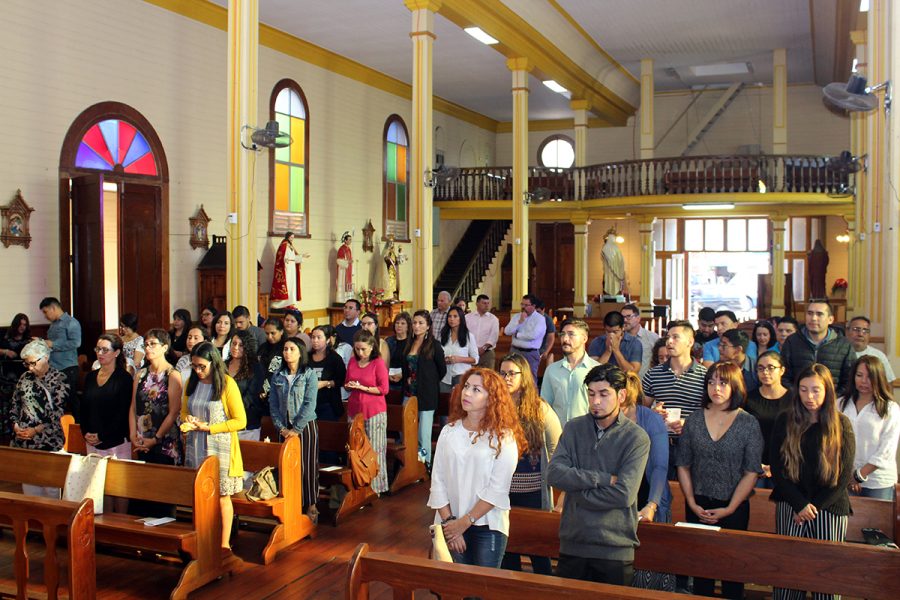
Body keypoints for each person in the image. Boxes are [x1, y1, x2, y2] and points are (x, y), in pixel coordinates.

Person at [548, 364, 650, 586]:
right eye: (591, 394)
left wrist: (576, 492)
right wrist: (602, 479)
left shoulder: (636, 438)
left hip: (614, 548)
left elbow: (623, 495)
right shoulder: (574, 428)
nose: (595, 401)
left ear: (621, 395)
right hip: (573, 542)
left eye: (604, 394)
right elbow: (554, 474)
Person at [676, 362, 763, 599]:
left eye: (723, 382)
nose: (716, 388)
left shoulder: (748, 423)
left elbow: (751, 471)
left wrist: (730, 508)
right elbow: (683, 464)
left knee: (731, 572)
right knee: (701, 570)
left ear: (735, 385)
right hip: (698, 503)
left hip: (733, 505)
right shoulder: (694, 419)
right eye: (711, 382)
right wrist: (692, 501)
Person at [770, 364, 855, 600]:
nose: (809, 396)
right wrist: (799, 505)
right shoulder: (786, 420)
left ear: (827, 390)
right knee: (789, 575)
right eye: (804, 390)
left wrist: (812, 508)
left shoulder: (841, 424)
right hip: (791, 504)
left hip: (828, 506)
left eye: (816, 390)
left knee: (825, 577)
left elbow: (843, 475)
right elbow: (777, 468)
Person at [428, 368, 524, 569]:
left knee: (482, 591)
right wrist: (450, 524)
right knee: (455, 590)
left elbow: (496, 490)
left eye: (476, 390)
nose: (467, 393)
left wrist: (463, 524)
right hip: (449, 522)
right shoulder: (449, 431)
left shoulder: (504, 438)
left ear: (492, 399)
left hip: (488, 525)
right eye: (466, 387)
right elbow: (437, 481)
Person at [180, 341, 247, 556]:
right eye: (195, 366)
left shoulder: (227, 384)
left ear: (214, 363)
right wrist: (187, 419)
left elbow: (240, 421)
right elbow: (182, 412)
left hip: (221, 449)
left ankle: (224, 544)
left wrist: (210, 427)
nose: (198, 371)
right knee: (200, 496)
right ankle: (203, 538)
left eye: (202, 367)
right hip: (195, 447)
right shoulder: (192, 383)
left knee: (221, 497)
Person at [499, 353, 561, 575]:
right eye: (502, 373)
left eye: (511, 373)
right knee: (508, 548)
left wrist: (552, 480)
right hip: (502, 490)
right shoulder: (495, 407)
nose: (506, 377)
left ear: (523, 376)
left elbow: (556, 444)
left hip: (532, 490)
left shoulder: (539, 407)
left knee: (538, 550)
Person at [642, 321, 707, 480]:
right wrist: (653, 414)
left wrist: (688, 423)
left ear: (690, 342)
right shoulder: (653, 375)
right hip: (661, 444)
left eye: (676, 337)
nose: (669, 341)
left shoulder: (705, 376)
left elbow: (712, 414)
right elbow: (640, 411)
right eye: (668, 337)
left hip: (694, 445)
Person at [268, 337, 319, 523]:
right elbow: (273, 403)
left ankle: (311, 505)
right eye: (285, 349)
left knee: (307, 466)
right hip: (284, 428)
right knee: (286, 468)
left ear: (300, 352)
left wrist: (296, 429)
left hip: (305, 427)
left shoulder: (309, 374)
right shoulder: (278, 375)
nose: (287, 352)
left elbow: (309, 404)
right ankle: (290, 505)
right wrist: (281, 427)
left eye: (291, 349)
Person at [840, 356, 899, 499]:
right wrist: (850, 474)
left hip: (879, 481)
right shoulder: (841, 404)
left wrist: (859, 475)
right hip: (846, 478)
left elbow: (886, 450)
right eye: (859, 375)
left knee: (878, 521)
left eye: (870, 377)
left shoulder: (890, 408)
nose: (863, 381)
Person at [11, 340, 67, 477]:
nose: (30, 368)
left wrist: (35, 430)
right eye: (26, 363)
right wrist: (16, 425)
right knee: (28, 484)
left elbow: (57, 412)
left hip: (48, 439)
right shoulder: (25, 377)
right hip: (24, 441)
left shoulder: (59, 378)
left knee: (50, 487)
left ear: (46, 357)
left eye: (33, 363)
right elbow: (15, 403)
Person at [345, 330, 390, 495]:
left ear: (372, 347)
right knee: (356, 449)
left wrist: (363, 387)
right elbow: (346, 382)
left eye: (363, 349)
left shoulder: (377, 363)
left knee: (375, 448)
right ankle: (360, 485)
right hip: (355, 410)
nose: (360, 352)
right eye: (357, 349)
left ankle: (377, 486)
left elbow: (384, 389)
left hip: (374, 410)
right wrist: (349, 385)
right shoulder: (352, 362)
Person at [622, 372, 671, 523]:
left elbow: (659, 466)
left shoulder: (651, 419)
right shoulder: (606, 418)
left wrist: (652, 505)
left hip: (647, 490)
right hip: (619, 491)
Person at [401, 310, 447, 468]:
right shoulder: (409, 343)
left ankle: (424, 464)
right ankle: (409, 463)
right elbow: (406, 366)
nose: (416, 326)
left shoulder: (434, 345)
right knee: (407, 430)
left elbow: (442, 370)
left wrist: (427, 381)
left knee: (423, 433)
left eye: (421, 323)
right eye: (414, 322)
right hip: (409, 392)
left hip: (427, 394)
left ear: (428, 326)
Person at [130, 329, 182, 466]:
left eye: (152, 344)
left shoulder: (172, 374)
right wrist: (133, 435)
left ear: (164, 347)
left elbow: (174, 412)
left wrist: (156, 438)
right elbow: (133, 407)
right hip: (142, 439)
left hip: (164, 440)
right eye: (146, 344)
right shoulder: (140, 374)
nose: (148, 348)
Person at [781, 300, 856, 396]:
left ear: (830, 319)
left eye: (819, 314)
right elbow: (784, 376)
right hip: (798, 402)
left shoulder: (844, 345)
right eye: (810, 313)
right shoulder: (792, 342)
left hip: (833, 403)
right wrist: (800, 395)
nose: (813, 318)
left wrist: (832, 398)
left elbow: (849, 380)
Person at [81, 334, 133, 459]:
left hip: (115, 441)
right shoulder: (90, 377)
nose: (100, 353)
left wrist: (102, 436)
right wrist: (86, 432)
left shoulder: (123, 378)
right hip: (92, 440)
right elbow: (83, 408)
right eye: (98, 349)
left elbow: (122, 413)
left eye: (105, 350)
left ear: (116, 352)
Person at [745, 351, 791, 488]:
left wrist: (776, 466)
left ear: (782, 370)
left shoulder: (794, 399)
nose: (765, 372)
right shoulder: (748, 398)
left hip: (785, 465)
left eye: (771, 368)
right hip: (754, 464)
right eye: (760, 368)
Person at [540, 319, 600, 425]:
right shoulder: (552, 370)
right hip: (558, 434)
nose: (565, 339)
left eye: (571, 334)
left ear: (584, 338)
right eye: (562, 334)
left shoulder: (596, 369)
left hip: (586, 433)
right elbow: (545, 406)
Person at [39, 297, 81, 403]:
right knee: (55, 400)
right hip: (54, 367)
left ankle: (77, 420)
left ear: (53, 308)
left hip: (68, 367)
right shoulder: (53, 325)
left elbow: (76, 343)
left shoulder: (71, 322)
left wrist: (53, 344)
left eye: (45, 312)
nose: (45, 316)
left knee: (71, 399)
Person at [226, 329, 265, 441]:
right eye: (234, 343)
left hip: (247, 425)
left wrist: (229, 409)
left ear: (248, 347)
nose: (236, 347)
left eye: (241, 345)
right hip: (224, 423)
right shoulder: (223, 365)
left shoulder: (255, 368)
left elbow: (251, 398)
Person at [503, 294, 547, 381]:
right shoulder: (516, 317)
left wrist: (517, 335)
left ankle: (532, 395)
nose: (523, 307)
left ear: (534, 306)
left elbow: (533, 335)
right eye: (522, 304)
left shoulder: (539, 319)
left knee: (530, 379)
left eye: (526, 305)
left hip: (530, 353)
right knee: (512, 377)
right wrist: (520, 322)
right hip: (514, 351)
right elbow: (507, 331)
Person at [308, 325, 346, 422]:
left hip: (329, 404)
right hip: (309, 403)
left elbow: (341, 380)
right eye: (313, 337)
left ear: (328, 340)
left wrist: (326, 383)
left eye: (319, 337)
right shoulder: (306, 357)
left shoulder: (335, 359)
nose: (315, 340)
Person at [440, 306, 478, 393]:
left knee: (458, 403)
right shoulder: (444, 334)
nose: (452, 319)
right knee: (444, 402)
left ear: (461, 318)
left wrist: (459, 359)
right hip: (445, 376)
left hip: (461, 375)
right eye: (449, 316)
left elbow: (475, 359)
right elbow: (439, 353)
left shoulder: (468, 336)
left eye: (455, 316)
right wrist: (444, 360)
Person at [846, 316, 896, 382]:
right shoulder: (837, 353)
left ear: (869, 334)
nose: (860, 334)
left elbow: (888, 383)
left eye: (865, 330)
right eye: (856, 329)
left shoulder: (879, 356)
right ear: (847, 332)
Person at [271, 231, 309, 309]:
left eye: (293, 238)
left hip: (292, 268)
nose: (292, 239)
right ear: (287, 237)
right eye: (291, 237)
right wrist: (285, 261)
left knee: (292, 285)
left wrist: (302, 256)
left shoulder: (290, 246)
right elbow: (281, 257)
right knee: (287, 285)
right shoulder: (284, 245)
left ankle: (290, 302)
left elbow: (294, 257)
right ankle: (283, 303)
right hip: (286, 268)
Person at [622, 303, 659, 378]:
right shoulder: (619, 338)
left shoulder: (652, 337)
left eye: (628, 317)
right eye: (622, 317)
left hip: (644, 383)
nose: (624, 320)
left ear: (638, 318)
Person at [718, 329, 758, 393]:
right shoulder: (718, 367)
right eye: (720, 344)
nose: (719, 348)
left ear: (738, 350)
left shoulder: (757, 368)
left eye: (724, 345)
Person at [465, 294, 499, 369]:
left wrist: (483, 348)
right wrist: (472, 349)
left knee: (487, 377)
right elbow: (464, 334)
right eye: (484, 303)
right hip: (469, 352)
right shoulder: (467, 317)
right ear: (477, 304)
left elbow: (494, 337)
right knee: (469, 376)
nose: (487, 305)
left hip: (487, 353)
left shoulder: (493, 319)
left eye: (488, 303)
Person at [386, 311, 412, 391]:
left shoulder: (412, 343)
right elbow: (383, 361)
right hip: (389, 379)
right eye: (397, 323)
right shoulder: (388, 341)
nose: (399, 325)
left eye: (403, 323)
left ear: (408, 326)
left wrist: (403, 374)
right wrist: (387, 374)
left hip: (406, 382)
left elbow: (414, 364)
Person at [601, 232, 625, 296]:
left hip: (613, 270)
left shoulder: (612, 248)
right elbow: (621, 260)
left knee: (613, 282)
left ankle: (614, 293)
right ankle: (609, 294)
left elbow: (620, 260)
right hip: (611, 270)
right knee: (609, 281)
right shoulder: (607, 248)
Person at [535, 299, 556, 367]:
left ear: (543, 309)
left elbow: (551, 337)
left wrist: (546, 351)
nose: (536, 314)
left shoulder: (548, 320)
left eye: (538, 312)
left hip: (542, 348)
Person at [335, 231, 354, 305]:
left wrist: (350, 262)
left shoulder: (349, 249)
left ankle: (348, 299)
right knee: (343, 285)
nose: (350, 241)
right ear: (345, 240)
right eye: (349, 239)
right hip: (343, 271)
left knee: (348, 285)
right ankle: (342, 300)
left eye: (350, 240)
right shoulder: (341, 249)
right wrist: (347, 262)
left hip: (348, 270)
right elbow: (338, 261)